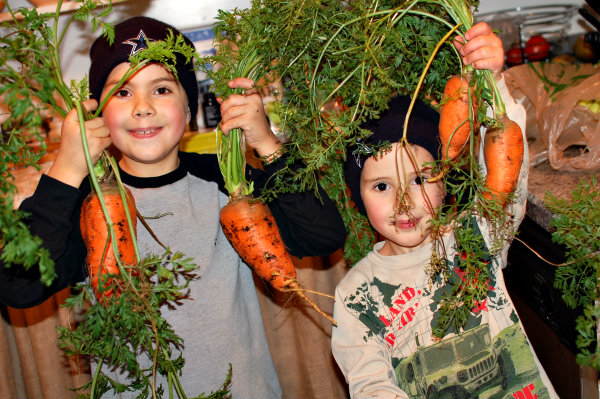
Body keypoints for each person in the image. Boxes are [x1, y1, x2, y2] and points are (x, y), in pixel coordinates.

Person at [0, 16, 346, 398]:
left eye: (162, 89)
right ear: (97, 116)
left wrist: (267, 143)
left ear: (189, 105)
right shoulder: (85, 204)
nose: (143, 107)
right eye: (123, 93)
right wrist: (65, 169)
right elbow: (17, 287)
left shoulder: (226, 184)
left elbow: (322, 235)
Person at [332, 22, 559, 399]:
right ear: (358, 197)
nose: (404, 202)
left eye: (420, 180)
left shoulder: (475, 234)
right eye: (383, 186)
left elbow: (507, 173)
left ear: (444, 182)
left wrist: (493, 83)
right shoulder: (356, 297)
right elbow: (371, 386)